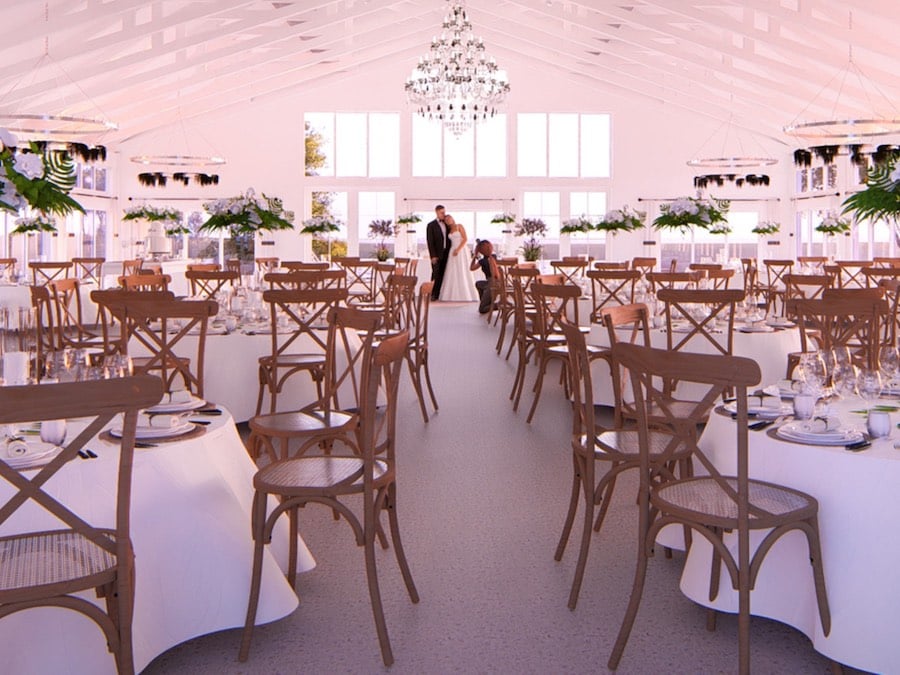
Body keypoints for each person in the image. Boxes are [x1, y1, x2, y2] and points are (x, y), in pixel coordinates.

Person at [438, 215, 479, 302]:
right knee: (452, 270)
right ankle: (450, 295)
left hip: (461, 250)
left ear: (452, 218)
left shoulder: (459, 226)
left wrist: (458, 249)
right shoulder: (448, 230)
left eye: (449, 218)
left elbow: (465, 239)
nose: (448, 220)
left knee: (462, 269)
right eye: (446, 220)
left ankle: (466, 294)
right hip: (452, 250)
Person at [426, 204, 450, 301]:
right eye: (442, 213)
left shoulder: (447, 224)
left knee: (444, 274)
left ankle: (440, 294)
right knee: (435, 273)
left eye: (444, 212)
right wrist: (433, 256)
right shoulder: (431, 225)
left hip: (447, 253)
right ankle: (432, 293)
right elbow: (430, 242)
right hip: (436, 254)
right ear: (437, 212)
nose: (444, 214)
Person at [471, 239, 500, 314]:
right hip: (492, 282)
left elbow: (472, 268)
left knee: (482, 309)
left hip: (492, 283)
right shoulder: (493, 257)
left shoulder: (485, 261)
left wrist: (475, 256)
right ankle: (486, 301)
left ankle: (498, 305)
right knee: (478, 284)